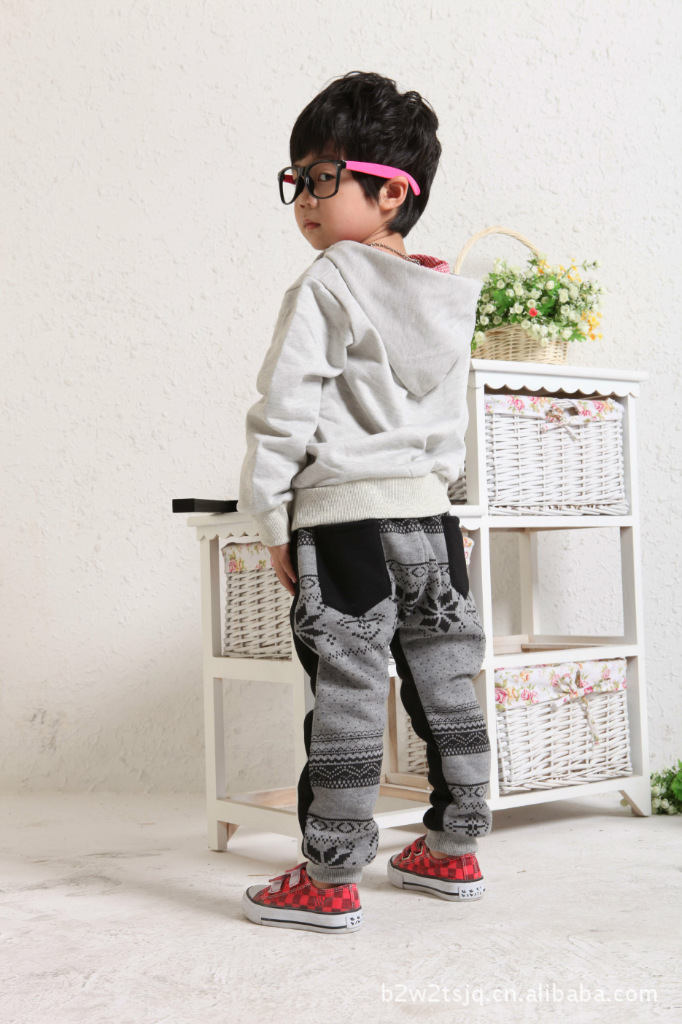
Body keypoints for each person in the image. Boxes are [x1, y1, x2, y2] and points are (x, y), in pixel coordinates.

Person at [238, 71, 490, 934]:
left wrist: (272, 517)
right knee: (447, 682)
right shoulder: (447, 295)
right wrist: (439, 504)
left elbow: (285, 410)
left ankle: (331, 876)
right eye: (297, 180)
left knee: (346, 693)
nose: (305, 200)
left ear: (391, 192)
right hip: (430, 518)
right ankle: (454, 848)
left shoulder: (326, 283)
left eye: (322, 177)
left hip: (345, 520)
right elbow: (452, 425)